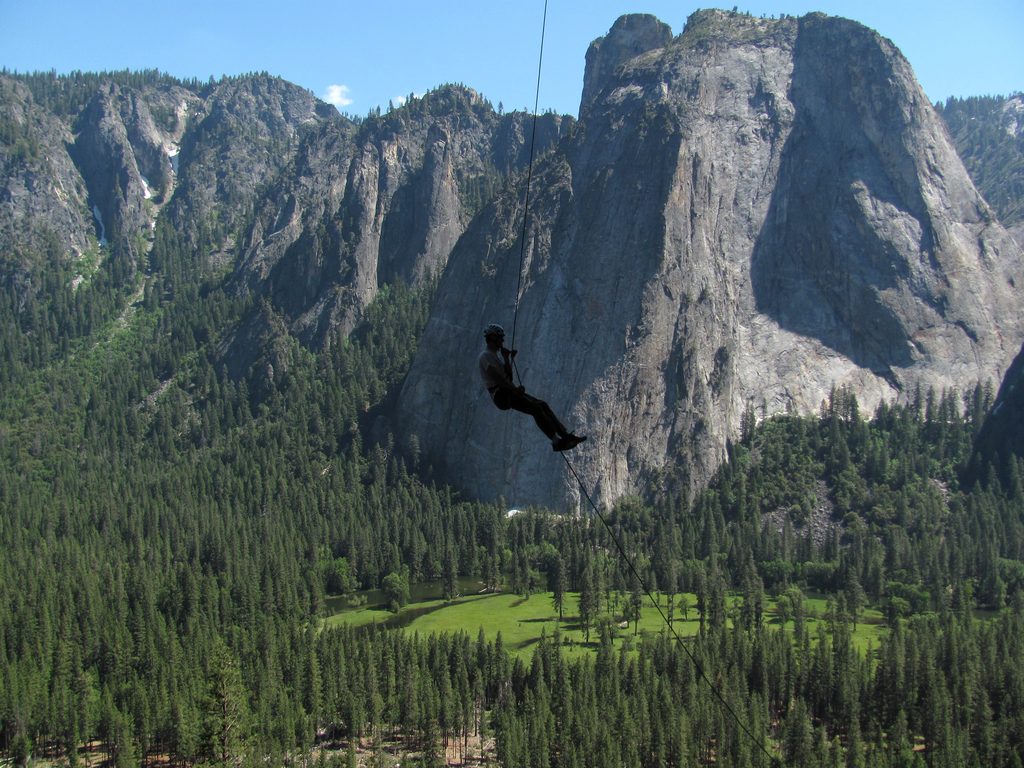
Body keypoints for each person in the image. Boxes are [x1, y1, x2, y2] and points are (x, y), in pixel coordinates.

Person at [478, 323, 586, 452]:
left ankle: (565, 436)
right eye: (500, 338)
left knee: (542, 405)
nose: (502, 341)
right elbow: (498, 378)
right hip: (501, 395)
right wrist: (515, 389)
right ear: (492, 338)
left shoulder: (494, 356)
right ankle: (556, 441)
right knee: (536, 408)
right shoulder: (485, 356)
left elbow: (508, 378)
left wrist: (507, 359)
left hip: (506, 392)